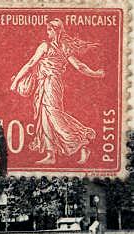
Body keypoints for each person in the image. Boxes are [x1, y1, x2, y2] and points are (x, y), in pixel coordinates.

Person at [9, 18, 105, 165]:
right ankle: (51, 154)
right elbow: (79, 66)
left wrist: (16, 82)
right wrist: (95, 73)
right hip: (47, 84)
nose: (47, 33)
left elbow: (30, 64)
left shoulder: (46, 46)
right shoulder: (64, 47)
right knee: (45, 117)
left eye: (49, 30)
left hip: (50, 84)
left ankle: (81, 143)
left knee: (54, 116)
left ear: (56, 31)